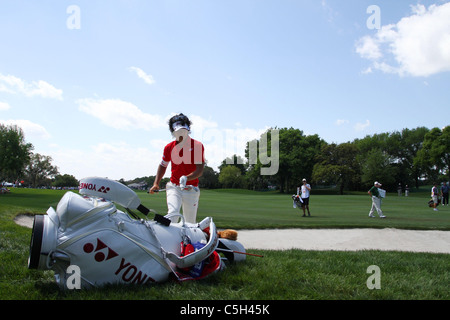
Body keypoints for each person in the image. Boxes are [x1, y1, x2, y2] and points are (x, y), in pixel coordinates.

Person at [149, 113, 205, 224]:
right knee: (173, 215)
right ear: (173, 132)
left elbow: (199, 170)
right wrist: (156, 183)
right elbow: (163, 165)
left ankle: (185, 241)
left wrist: (186, 178)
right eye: (178, 131)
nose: (181, 134)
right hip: (174, 187)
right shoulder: (169, 147)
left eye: (184, 131)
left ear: (188, 129)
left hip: (191, 189)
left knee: (189, 222)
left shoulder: (197, 146)